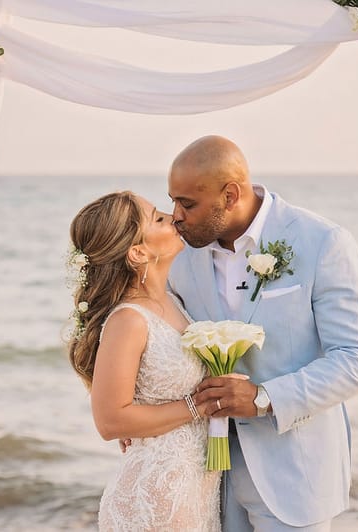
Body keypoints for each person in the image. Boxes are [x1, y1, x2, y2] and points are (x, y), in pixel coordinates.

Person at [167, 136, 358, 531]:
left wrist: (265, 398)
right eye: (173, 201)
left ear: (230, 194)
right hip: (206, 480)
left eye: (187, 203)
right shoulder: (180, 257)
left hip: (295, 475)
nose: (176, 216)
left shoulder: (323, 242)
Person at [67, 191, 221, 531]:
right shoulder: (129, 320)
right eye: (159, 218)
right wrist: (200, 406)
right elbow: (110, 421)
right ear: (138, 252)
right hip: (155, 498)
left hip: (195, 489)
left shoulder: (174, 302)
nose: (173, 217)